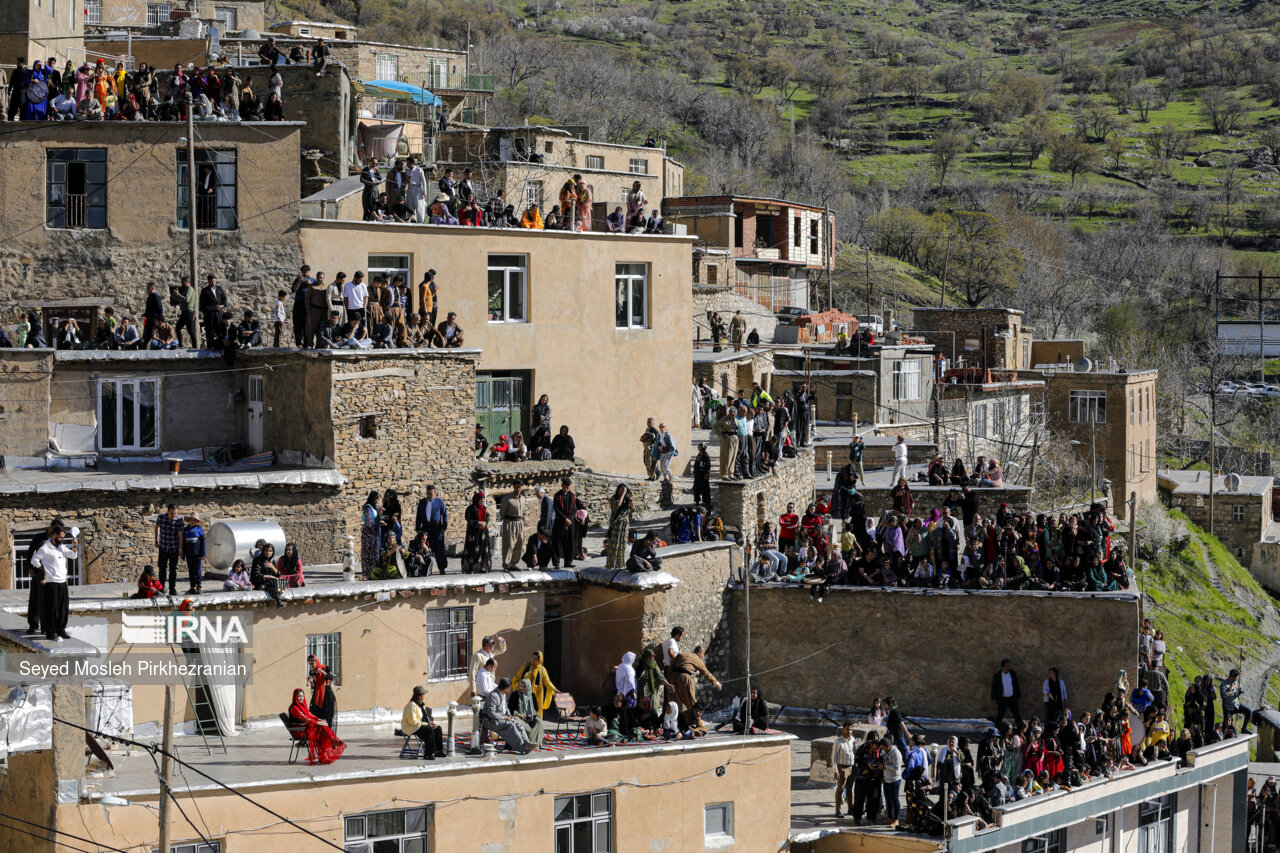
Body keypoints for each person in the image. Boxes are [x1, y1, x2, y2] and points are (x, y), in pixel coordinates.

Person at [32, 526, 78, 641]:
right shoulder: (45, 548)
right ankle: (50, 632)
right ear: (54, 535)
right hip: (51, 582)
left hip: (62, 581)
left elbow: (73, 556)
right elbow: (34, 560)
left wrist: (75, 546)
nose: (62, 539)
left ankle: (61, 630)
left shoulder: (62, 547)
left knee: (63, 608)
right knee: (52, 608)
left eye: (63, 537)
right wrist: (42, 569)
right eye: (60, 537)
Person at [285, 688, 346, 765]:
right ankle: (332, 740)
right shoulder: (294, 708)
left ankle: (331, 742)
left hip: (304, 728)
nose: (301, 698)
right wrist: (319, 723)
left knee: (321, 727)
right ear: (295, 697)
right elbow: (306, 719)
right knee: (320, 728)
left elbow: (310, 715)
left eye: (302, 696)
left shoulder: (302, 706)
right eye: (299, 696)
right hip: (299, 731)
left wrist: (320, 720)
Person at [483, 678, 534, 753]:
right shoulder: (493, 695)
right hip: (492, 721)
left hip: (501, 719)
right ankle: (522, 748)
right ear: (505, 688)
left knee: (518, 724)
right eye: (509, 688)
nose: (510, 689)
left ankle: (526, 742)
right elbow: (491, 714)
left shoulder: (503, 694)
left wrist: (509, 715)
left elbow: (506, 708)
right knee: (511, 725)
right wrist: (505, 718)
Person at [669, 645, 722, 716]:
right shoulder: (697, 659)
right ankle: (697, 722)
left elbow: (671, 666)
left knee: (675, 702)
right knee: (691, 702)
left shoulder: (682, 654)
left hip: (672, 678)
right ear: (699, 652)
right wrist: (716, 683)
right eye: (703, 654)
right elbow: (706, 673)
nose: (702, 656)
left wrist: (668, 679)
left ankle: (676, 722)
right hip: (685, 678)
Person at [402, 685, 445, 759]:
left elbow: (424, 718)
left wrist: (430, 723)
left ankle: (438, 751)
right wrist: (427, 724)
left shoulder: (421, 705)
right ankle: (428, 754)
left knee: (438, 728)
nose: (424, 696)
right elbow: (412, 722)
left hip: (419, 725)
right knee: (429, 730)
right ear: (418, 695)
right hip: (411, 727)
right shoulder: (411, 706)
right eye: (423, 694)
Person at [415, 485, 449, 574]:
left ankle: (442, 569)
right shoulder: (422, 503)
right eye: (427, 493)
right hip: (425, 529)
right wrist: (418, 529)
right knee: (425, 548)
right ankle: (426, 569)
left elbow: (445, 515)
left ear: (435, 493)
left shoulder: (440, 502)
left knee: (439, 549)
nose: (429, 495)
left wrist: (443, 528)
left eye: (431, 494)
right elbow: (418, 516)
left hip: (437, 529)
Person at [154, 504, 185, 596]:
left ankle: (172, 589)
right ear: (168, 511)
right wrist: (156, 539)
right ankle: (162, 588)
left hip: (173, 548)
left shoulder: (179, 520)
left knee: (173, 570)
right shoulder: (161, 517)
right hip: (163, 547)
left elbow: (180, 535)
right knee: (162, 569)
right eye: (172, 513)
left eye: (175, 513)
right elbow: (157, 527)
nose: (174, 515)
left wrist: (180, 548)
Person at [552, 479, 580, 568]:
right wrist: (564, 519)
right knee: (557, 543)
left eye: (568, 487)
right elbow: (557, 509)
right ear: (562, 486)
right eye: (565, 487)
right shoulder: (557, 496)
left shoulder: (572, 496)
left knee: (569, 543)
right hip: (560, 522)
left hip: (570, 523)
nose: (566, 489)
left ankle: (568, 562)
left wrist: (570, 519)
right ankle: (556, 563)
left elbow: (574, 509)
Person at [499, 484, 527, 571]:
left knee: (519, 543)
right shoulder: (507, 499)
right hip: (510, 522)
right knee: (509, 544)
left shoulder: (523, 499)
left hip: (520, 522)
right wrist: (508, 521)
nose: (518, 489)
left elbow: (524, 512)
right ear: (514, 487)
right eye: (516, 487)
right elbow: (502, 513)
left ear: (522, 488)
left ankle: (513, 564)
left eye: (520, 487)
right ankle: (506, 564)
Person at [833, 720, 857, 817]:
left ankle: (850, 808)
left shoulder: (853, 740)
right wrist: (835, 770)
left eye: (851, 730)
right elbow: (833, 757)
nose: (849, 731)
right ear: (843, 730)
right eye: (847, 729)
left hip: (852, 766)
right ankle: (838, 810)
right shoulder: (838, 741)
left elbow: (854, 753)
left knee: (850, 788)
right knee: (840, 788)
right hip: (842, 767)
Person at [513, 678, 547, 747]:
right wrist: (519, 715)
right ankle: (530, 742)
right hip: (519, 716)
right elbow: (510, 709)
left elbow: (536, 709)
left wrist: (531, 716)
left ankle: (537, 743)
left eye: (524, 686)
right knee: (517, 720)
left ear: (528, 687)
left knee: (539, 722)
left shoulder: (532, 695)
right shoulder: (515, 695)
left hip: (531, 716)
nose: (522, 688)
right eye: (521, 686)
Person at [463, 491, 491, 573]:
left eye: (482, 501)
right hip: (473, 533)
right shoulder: (470, 508)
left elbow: (487, 516)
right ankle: (471, 568)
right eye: (480, 501)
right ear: (476, 499)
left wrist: (485, 522)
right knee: (472, 550)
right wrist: (478, 522)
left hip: (483, 532)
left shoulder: (483, 508)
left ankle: (483, 567)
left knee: (483, 549)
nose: (481, 503)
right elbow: (468, 519)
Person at [1221, 669, 1253, 734]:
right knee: (1227, 723)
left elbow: (1235, 693)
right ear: (1231, 676)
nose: (1236, 679)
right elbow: (1223, 696)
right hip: (1228, 707)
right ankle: (1222, 734)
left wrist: (1238, 693)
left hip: (1236, 705)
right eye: (1236, 677)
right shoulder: (1223, 684)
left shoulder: (1235, 683)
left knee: (1249, 711)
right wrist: (1232, 688)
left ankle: (1244, 729)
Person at [199, 275, 227, 349]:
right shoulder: (205, 291)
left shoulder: (219, 289)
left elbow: (224, 299)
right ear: (208, 282)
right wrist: (214, 308)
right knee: (210, 332)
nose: (213, 282)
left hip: (219, 314)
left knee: (220, 330)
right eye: (211, 281)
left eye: (214, 281)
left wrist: (223, 305)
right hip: (210, 315)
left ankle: (221, 346)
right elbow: (202, 306)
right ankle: (210, 347)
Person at [991, 659, 1022, 726]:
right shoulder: (997, 675)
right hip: (1002, 699)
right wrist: (993, 698)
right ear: (1002, 667)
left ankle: (1020, 729)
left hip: (1012, 698)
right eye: (1007, 666)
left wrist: (1018, 696)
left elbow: (1016, 685)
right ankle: (997, 730)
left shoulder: (1012, 674)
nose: (1008, 667)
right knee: (1000, 715)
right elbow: (994, 687)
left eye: (1009, 666)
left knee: (1016, 714)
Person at [181, 514, 205, 595]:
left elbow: (203, 543)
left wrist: (203, 554)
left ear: (197, 521)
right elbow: (183, 543)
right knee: (191, 571)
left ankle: (199, 587)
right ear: (189, 520)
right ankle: (192, 587)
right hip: (189, 554)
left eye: (195, 520)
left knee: (198, 571)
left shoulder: (199, 530)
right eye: (192, 519)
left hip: (197, 554)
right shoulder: (186, 530)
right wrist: (183, 554)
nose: (193, 521)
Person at [310, 663, 337, 729]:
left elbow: (331, 677)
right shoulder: (312, 671)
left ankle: (328, 733)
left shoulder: (325, 668)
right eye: (309, 662)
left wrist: (321, 671)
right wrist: (311, 682)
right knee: (316, 714)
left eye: (312, 662)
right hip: (317, 695)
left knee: (327, 715)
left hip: (327, 695)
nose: (311, 664)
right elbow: (314, 686)